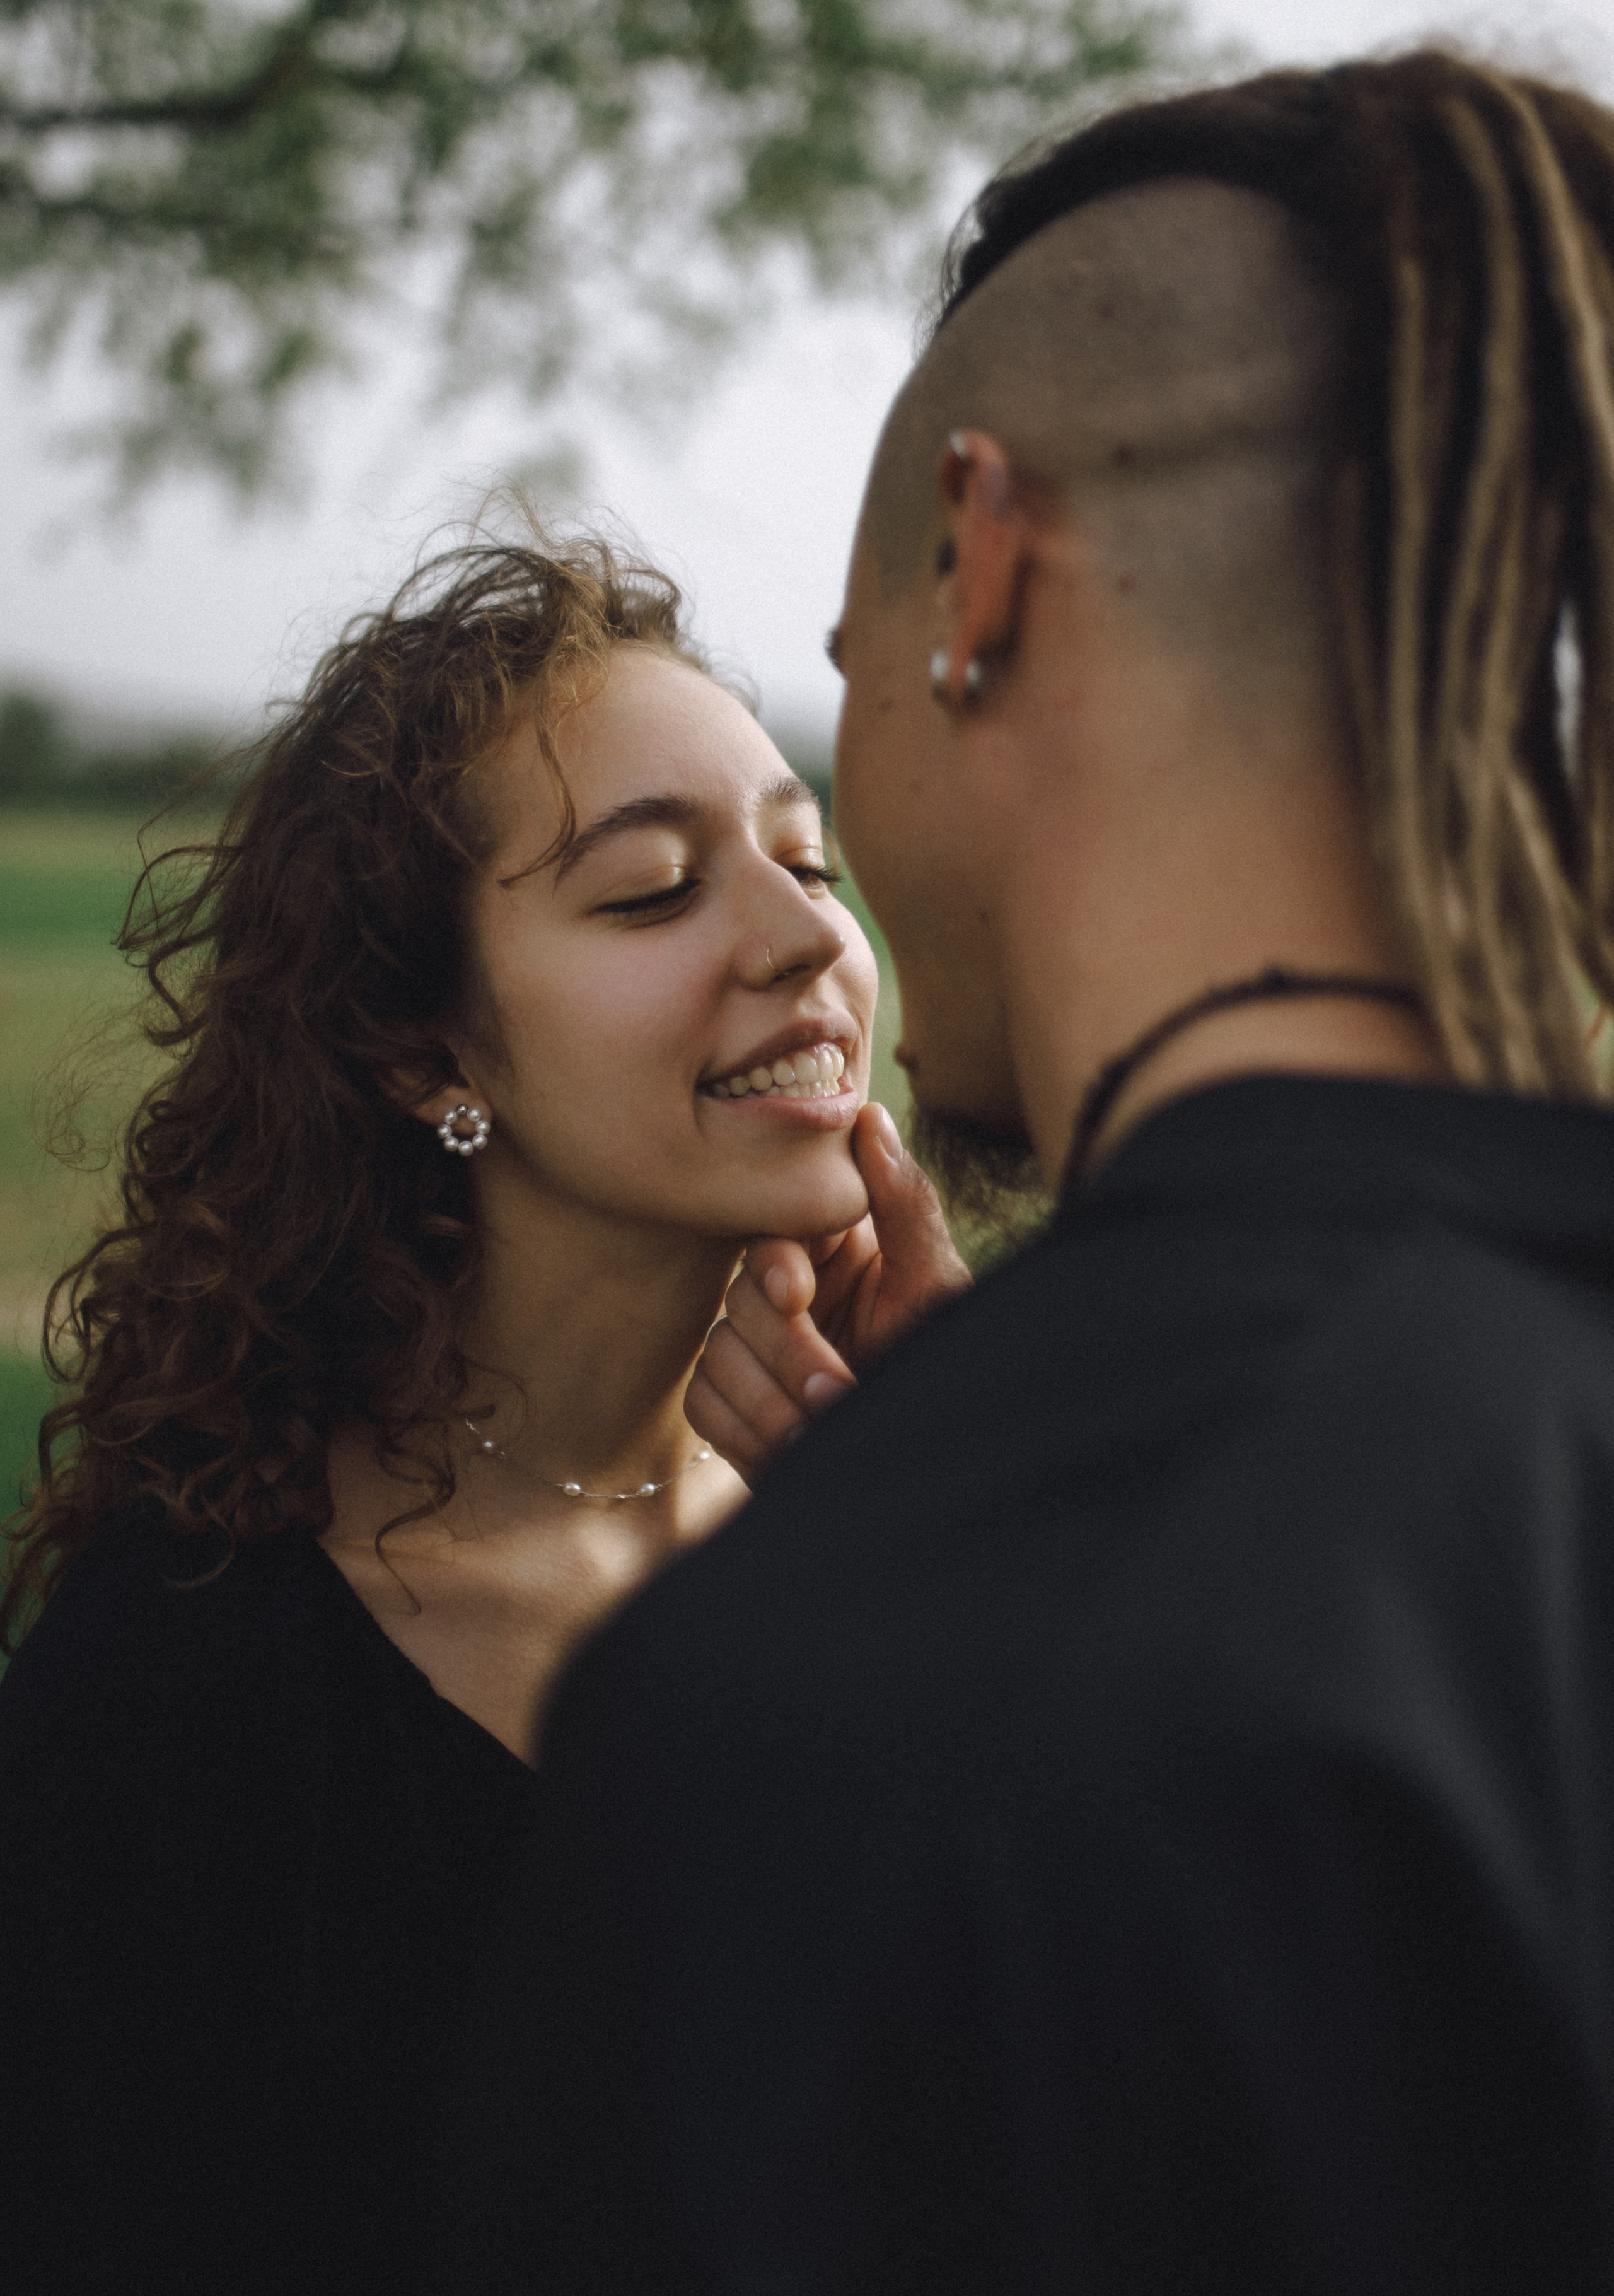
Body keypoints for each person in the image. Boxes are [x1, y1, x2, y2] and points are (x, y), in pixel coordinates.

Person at [464, 53, 1614, 2293]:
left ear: (980, 567)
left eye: (844, 677)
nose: (814, 907)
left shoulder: (798, 1726)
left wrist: (1005, 1531)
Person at [0, 533, 898, 2293]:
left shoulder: (881, 1535)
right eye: (653, 891)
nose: (808, 936)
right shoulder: (186, 1681)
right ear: (429, 1054)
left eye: (812, 858)